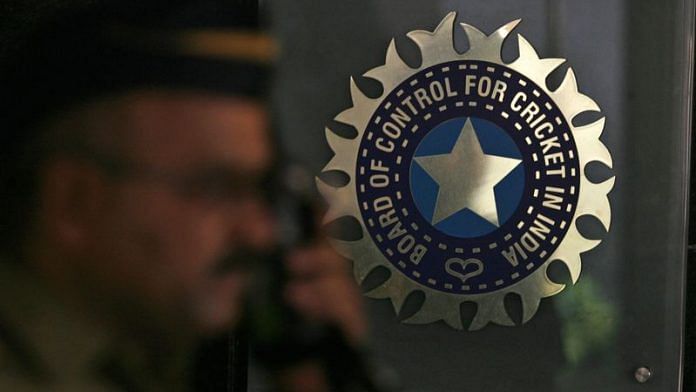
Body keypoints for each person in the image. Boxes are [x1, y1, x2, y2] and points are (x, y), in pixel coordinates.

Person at [0, 1, 366, 391]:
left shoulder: (133, 361)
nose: (259, 233)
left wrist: (306, 367)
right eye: (216, 188)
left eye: (258, 190)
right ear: (74, 201)